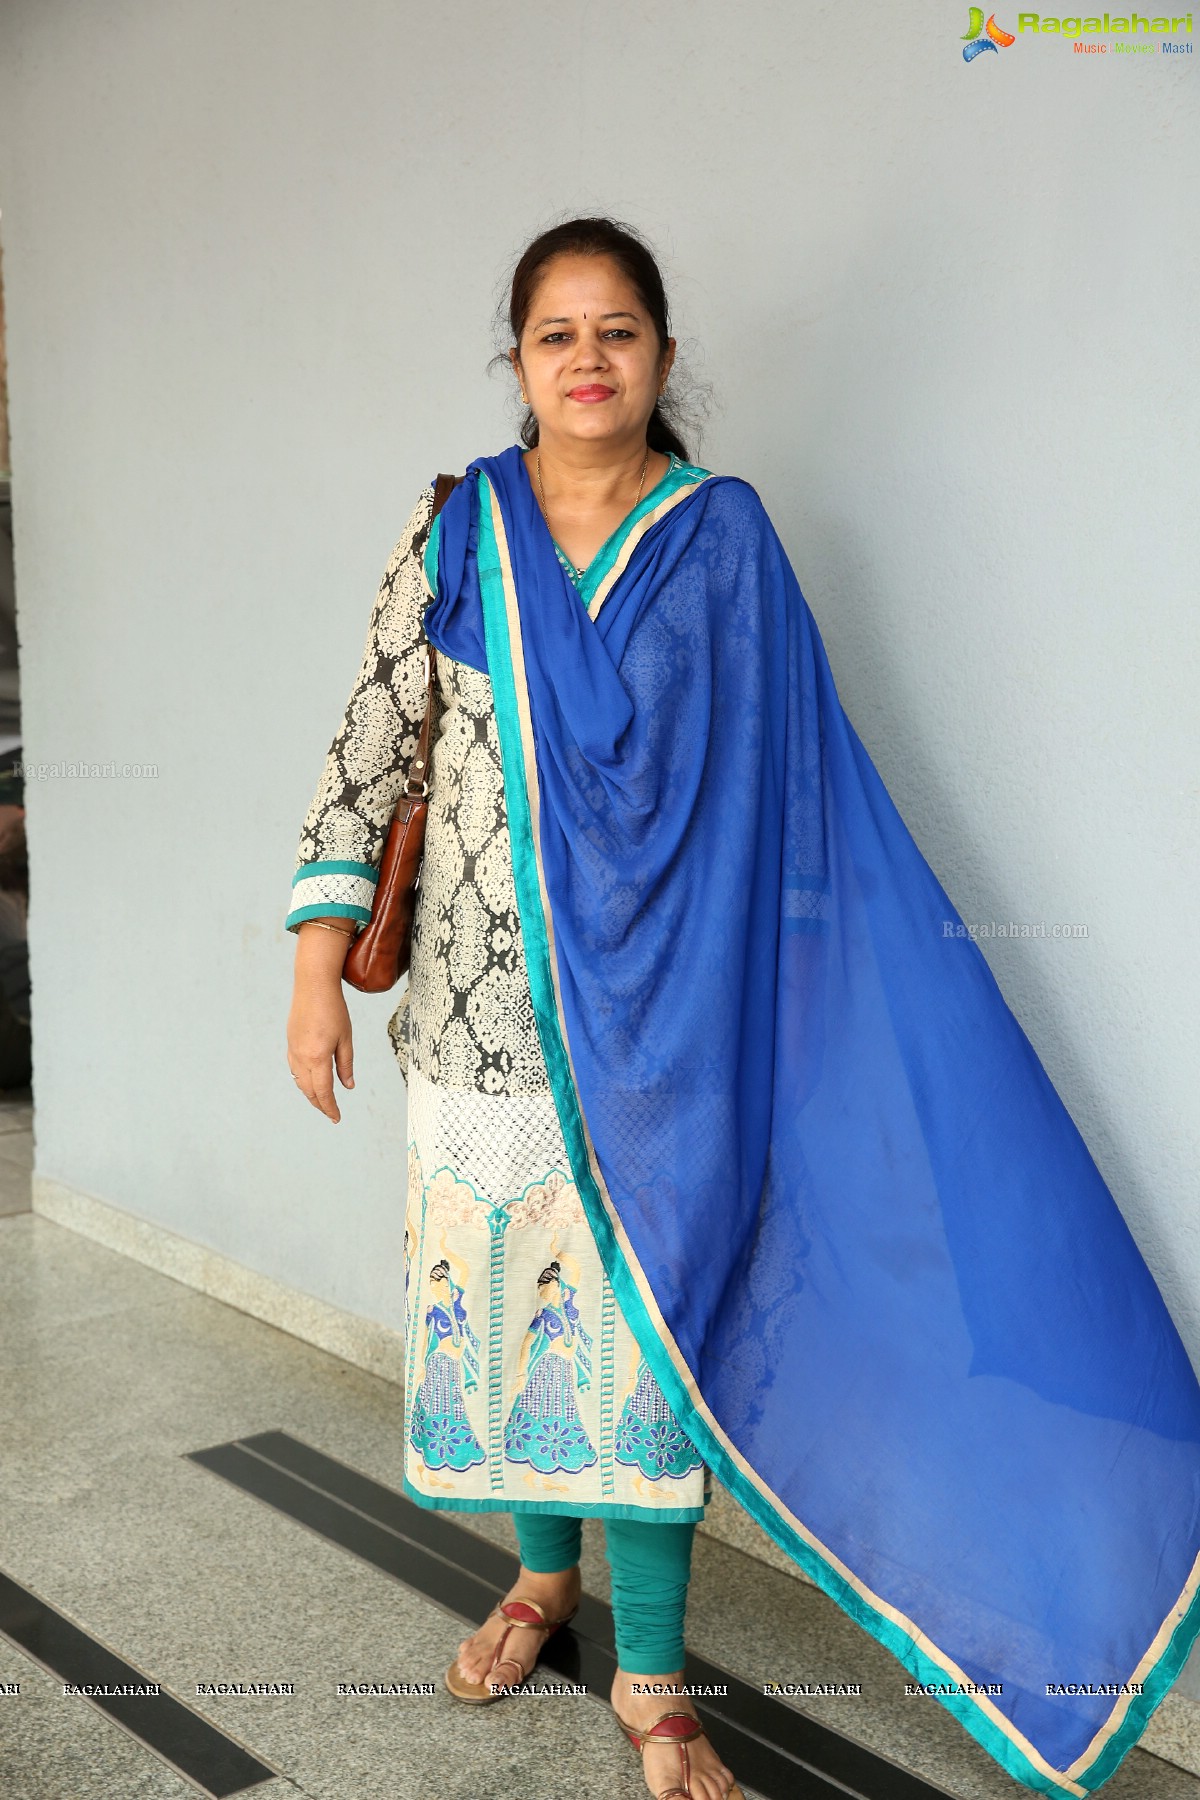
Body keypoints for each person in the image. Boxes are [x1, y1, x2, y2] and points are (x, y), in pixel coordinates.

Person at [286, 217, 1200, 1800]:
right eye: (557, 332)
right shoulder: (455, 536)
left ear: (661, 358)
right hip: (483, 1031)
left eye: (619, 329)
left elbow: (796, 794)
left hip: (676, 1032)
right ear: (516, 361)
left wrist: (807, 1001)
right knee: (528, 1332)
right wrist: (314, 978)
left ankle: (650, 1675)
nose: (588, 358)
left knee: (642, 1337)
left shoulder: (724, 543)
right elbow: (367, 752)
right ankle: (539, 1578)